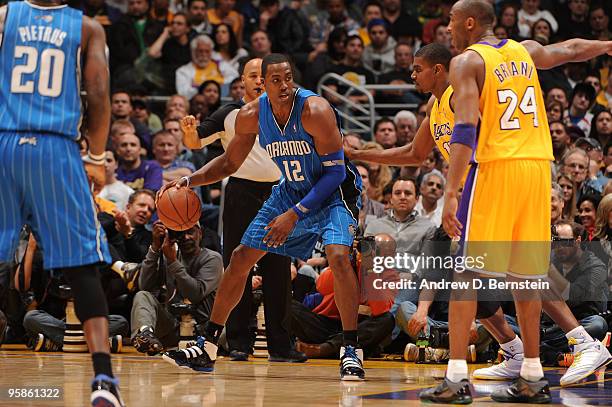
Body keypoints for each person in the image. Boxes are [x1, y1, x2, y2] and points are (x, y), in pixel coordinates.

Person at [347, 29, 612, 403]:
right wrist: (362, 155)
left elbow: (487, 134)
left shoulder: (465, 91)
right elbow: (414, 153)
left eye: (418, 69)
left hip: (490, 183)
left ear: (439, 70)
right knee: (478, 275)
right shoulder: (434, 107)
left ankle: (579, 342)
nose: (412, 76)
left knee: (502, 274)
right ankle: (517, 350)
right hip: (471, 191)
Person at [419, 1, 612, 403]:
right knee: (526, 276)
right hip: (538, 168)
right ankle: (532, 375)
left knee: (467, 275)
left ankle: (455, 380)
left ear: (469, 23)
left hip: (498, 167)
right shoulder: (523, 50)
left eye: (452, 22)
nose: (448, 29)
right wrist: (607, 45)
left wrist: (452, 192)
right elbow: (572, 49)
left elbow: (466, 128)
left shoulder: (467, 62)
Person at [162, 53, 364, 380]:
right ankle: (208, 347)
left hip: (332, 192)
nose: (284, 86)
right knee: (240, 258)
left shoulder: (316, 110)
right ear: (262, 83)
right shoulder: (251, 116)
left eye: (288, 78)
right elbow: (229, 164)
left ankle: (351, 350)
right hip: (289, 191)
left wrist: (294, 215)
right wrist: (190, 179)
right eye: (275, 80)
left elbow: (335, 173)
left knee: (338, 258)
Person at [0, 1, 124, 406]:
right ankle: (103, 382)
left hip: (5, 142)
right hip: (56, 149)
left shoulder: (3, 17)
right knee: (83, 264)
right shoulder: (86, 28)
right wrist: (97, 157)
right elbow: (100, 94)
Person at [180, 57, 306, 362]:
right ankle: (237, 342)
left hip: (280, 192)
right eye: (253, 77)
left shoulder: (286, 112)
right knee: (237, 268)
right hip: (241, 193)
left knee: (278, 269)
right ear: (242, 82)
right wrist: (188, 133)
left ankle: (281, 345)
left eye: (263, 76)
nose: (259, 82)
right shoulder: (229, 114)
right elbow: (198, 142)